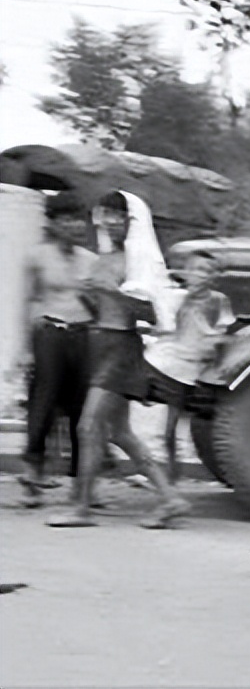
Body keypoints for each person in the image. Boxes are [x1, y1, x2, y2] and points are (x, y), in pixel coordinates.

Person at [46, 191, 190, 529]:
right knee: (119, 433)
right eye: (106, 214)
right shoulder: (106, 258)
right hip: (101, 344)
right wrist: (91, 297)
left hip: (120, 349)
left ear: (132, 221)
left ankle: (81, 508)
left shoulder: (138, 260)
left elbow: (151, 313)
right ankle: (170, 498)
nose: (110, 221)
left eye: (118, 215)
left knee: (89, 427)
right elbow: (99, 307)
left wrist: (113, 293)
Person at [21, 191, 94, 507]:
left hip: (84, 335)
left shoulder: (92, 260)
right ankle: (32, 474)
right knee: (43, 402)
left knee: (82, 408)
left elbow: (101, 304)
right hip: (49, 331)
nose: (74, 225)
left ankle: (81, 483)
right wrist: (25, 348)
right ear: (52, 223)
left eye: (78, 219)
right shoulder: (37, 257)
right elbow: (28, 301)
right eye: (66, 219)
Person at [142, 250, 234, 482]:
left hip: (191, 370)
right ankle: (168, 473)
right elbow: (169, 329)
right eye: (196, 270)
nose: (201, 276)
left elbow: (220, 334)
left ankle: (172, 475)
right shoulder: (178, 299)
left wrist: (213, 346)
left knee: (173, 429)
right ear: (186, 273)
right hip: (171, 364)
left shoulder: (217, 301)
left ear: (214, 277)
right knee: (167, 428)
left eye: (207, 271)